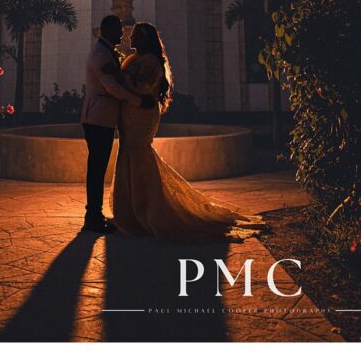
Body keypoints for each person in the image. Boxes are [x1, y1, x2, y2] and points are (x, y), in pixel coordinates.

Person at [110, 21, 266, 241]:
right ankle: (130, 211)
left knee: (139, 155)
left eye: (136, 35)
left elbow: (143, 87)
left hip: (142, 115)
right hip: (130, 115)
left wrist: (118, 77)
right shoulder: (133, 59)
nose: (131, 38)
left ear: (146, 39)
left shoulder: (152, 61)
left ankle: (147, 210)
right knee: (129, 154)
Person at [80, 14, 154, 234]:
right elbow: (112, 87)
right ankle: (92, 216)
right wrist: (139, 101)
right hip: (97, 118)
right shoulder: (100, 53)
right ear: (108, 30)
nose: (122, 35)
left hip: (102, 117)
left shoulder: (105, 51)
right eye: (119, 31)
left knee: (98, 167)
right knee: (96, 168)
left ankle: (95, 214)